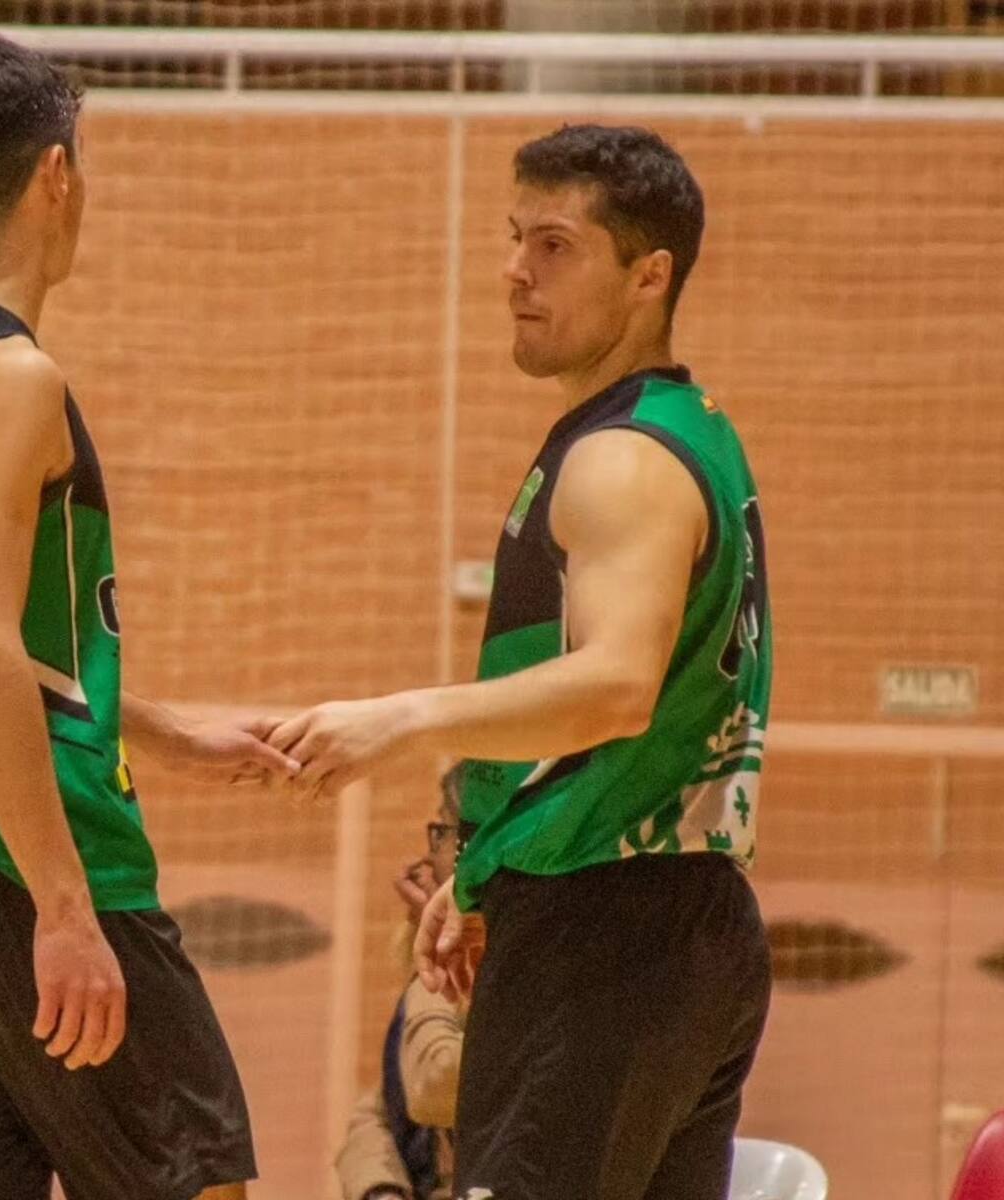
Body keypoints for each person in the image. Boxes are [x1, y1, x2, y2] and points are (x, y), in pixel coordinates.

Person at [272, 124, 773, 1200]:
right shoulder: (683, 433)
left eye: (554, 245)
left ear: (650, 276)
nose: (514, 271)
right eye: (513, 238)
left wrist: (401, 716)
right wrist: (488, 859)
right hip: (675, 924)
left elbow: (616, 687)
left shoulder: (621, 460)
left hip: (610, 941)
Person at [0, 29, 299, 1200]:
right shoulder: (6, 377)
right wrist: (64, 907)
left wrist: (150, 727)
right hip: (36, 858)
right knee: (199, 1184)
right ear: (56, 174)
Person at [336, 764, 465, 1200]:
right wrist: (379, 1187)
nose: (427, 857)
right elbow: (381, 1108)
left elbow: (436, 1083)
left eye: (443, 832)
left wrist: (440, 955)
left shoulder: (523, 967)